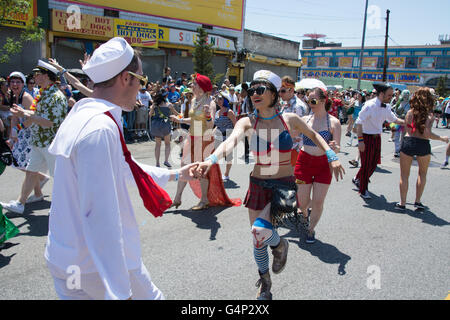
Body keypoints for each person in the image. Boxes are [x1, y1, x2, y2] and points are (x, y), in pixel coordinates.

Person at [43, 37, 198, 300]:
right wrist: (118, 290)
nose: (142, 87)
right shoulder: (100, 128)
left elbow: (125, 167)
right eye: (142, 80)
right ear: (126, 78)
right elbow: (99, 217)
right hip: (93, 266)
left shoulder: (85, 113)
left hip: (68, 256)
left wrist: (176, 174)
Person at [194, 70, 345, 300]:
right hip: (258, 185)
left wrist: (332, 156)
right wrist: (211, 159)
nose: (254, 93)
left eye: (260, 89)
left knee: (260, 231)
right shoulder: (247, 121)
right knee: (257, 238)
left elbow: (315, 136)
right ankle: (265, 283)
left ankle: (280, 244)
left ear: (274, 94)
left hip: (283, 186)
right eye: (252, 90)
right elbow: (230, 142)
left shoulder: (290, 120)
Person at [1, 61, 67, 214]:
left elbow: (49, 122)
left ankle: (64, 208)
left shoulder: (56, 97)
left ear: (45, 76)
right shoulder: (43, 94)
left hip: (52, 143)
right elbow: (35, 115)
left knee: (60, 178)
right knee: (31, 172)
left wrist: (24, 114)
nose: (34, 77)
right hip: (39, 142)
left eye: (37, 74)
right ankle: (20, 203)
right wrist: (22, 117)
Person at [170, 73, 240, 210]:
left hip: (204, 139)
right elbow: (194, 120)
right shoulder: (194, 100)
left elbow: (210, 125)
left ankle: (204, 200)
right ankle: (177, 198)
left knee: (200, 170)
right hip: (191, 137)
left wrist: (208, 115)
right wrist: (180, 120)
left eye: (194, 84)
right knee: (184, 167)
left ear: (201, 87)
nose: (192, 85)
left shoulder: (210, 102)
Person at [295, 87, 342, 244]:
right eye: (308, 100)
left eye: (313, 100)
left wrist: (335, 147)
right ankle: (304, 215)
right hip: (304, 161)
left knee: (318, 201)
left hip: (323, 164)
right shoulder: (304, 120)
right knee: (301, 201)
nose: (310, 103)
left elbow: (338, 147)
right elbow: (293, 136)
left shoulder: (334, 122)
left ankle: (311, 229)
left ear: (323, 101)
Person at [395, 88, 449, 211]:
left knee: (404, 175)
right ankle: (417, 202)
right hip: (423, 144)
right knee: (422, 174)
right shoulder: (429, 115)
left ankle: (402, 203)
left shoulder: (410, 112)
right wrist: (441, 138)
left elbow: (408, 130)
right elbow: (427, 133)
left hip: (408, 143)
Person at [353, 83, 404, 199]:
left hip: (377, 138)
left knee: (374, 163)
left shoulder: (386, 107)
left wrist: (407, 122)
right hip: (366, 137)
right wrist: (360, 141)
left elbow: (393, 119)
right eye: (389, 95)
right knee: (366, 165)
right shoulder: (369, 105)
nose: (391, 97)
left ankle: (357, 178)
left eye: (391, 95)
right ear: (381, 94)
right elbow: (359, 122)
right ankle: (363, 189)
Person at [5, 71, 49, 204]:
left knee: (26, 164)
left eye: (18, 82)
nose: (15, 84)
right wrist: (12, 135)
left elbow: (33, 116)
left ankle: (37, 185)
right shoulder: (14, 96)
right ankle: (38, 190)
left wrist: (19, 129)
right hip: (23, 133)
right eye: (12, 82)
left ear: (23, 84)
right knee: (24, 164)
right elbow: (14, 116)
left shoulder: (25, 97)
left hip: (30, 133)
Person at [279, 76, 307, 166]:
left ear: (291, 90)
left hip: (294, 148)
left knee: (290, 176)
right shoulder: (285, 104)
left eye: (283, 91)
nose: (280, 94)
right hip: (285, 146)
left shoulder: (298, 106)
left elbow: (300, 130)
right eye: (279, 91)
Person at [149, 89, 179, 168]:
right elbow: (176, 114)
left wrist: (152, 108)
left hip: (156, 125)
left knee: (158, 145)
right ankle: (166, 160)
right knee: (167, 144)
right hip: (165, 125)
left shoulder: (154, 105)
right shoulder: (169, 105)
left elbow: (150, 114)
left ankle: (157, 163)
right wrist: (181, 116)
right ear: (165, 96)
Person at [213, 91, 237, 181]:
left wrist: (235, 138)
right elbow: (216, 126)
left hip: (228, 137)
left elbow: (236, 125)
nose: (218, 100)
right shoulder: (217, 112)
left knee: (228, 157)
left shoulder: (229, 112)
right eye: (217, 99)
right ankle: (217, 174)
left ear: (225, 100)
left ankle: (226, 174)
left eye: (220, 99)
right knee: (216, 156)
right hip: (218, 137)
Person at [392, 90, 411, 158]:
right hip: (397, 120)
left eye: (407, 95)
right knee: (396, 136)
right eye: (404, 95)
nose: (405, 96)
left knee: (403, 136)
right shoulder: (399, 102)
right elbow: (394, 110)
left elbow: (410, 113)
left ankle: (400, 149)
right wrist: (396, 114)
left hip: (404, 122)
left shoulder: (409, 104)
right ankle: (396, 150)